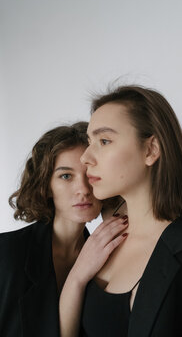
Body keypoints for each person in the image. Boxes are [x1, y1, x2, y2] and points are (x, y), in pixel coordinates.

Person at [60, 85, 182, 337]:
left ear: (151, 150)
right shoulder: (94, 245)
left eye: (104, 141)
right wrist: (76, 277)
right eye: (90, 142)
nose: (86, 157)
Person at [0, 121, 127, 337]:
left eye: (90, 175)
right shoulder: (6, 252)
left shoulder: (107, 258)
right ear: (46, 186)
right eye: (66, 176)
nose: (83, 190)